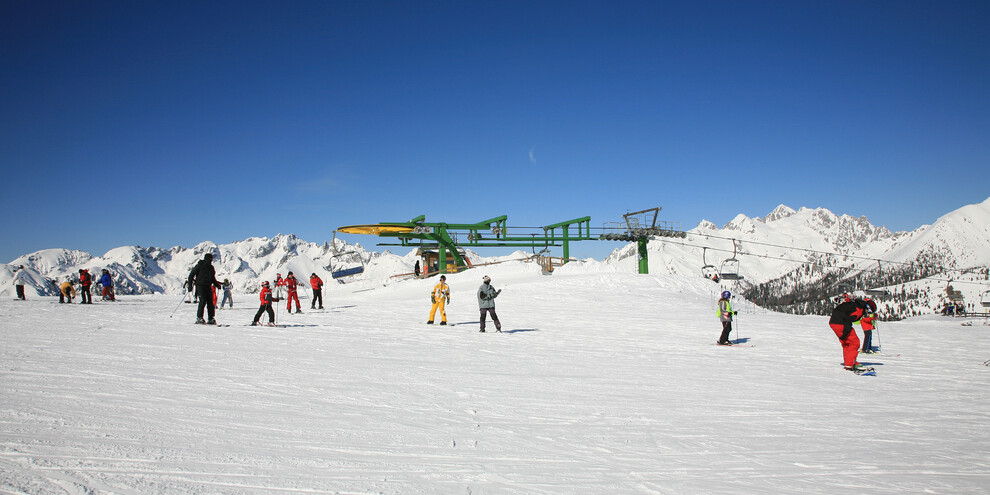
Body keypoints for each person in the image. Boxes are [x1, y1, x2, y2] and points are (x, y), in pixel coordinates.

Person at [829, 294, 871, 371]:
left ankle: (849, 362)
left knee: (847, 343)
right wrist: (846, 331)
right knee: (855, 342)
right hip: (840, 323)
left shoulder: (855, 305)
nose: (867, 313)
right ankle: (850, 363)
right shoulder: (859, 309)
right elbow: (849, 318)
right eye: (868, 311)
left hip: (834, 322)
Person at [187, 253, 223, 324]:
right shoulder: (199, 265)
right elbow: (191, 276)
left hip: (208, 286)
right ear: (207, 259)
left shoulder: (211, 268)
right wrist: (190, 286)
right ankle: (199, 318)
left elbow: (212, 278)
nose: (211, 261)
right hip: (200, 286)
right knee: (203, 301)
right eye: (210, 259)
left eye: (211, 259)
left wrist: (217, 285)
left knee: (210, 302)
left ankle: (211, 318)